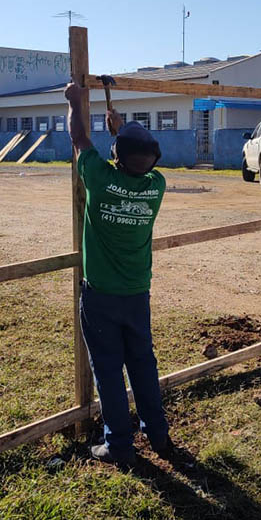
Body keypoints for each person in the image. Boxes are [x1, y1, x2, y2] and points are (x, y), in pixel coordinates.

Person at [64, 81, 174, 467]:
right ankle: (158, 436)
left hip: (101, 297)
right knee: (143, 363)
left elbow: (78, 137)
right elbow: (131, 162)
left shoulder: (97, 177)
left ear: (116, 156)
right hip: (136, 294)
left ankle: (120, 446)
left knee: (108, 372)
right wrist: (120, 132)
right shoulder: (156, 186)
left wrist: (76, 102)